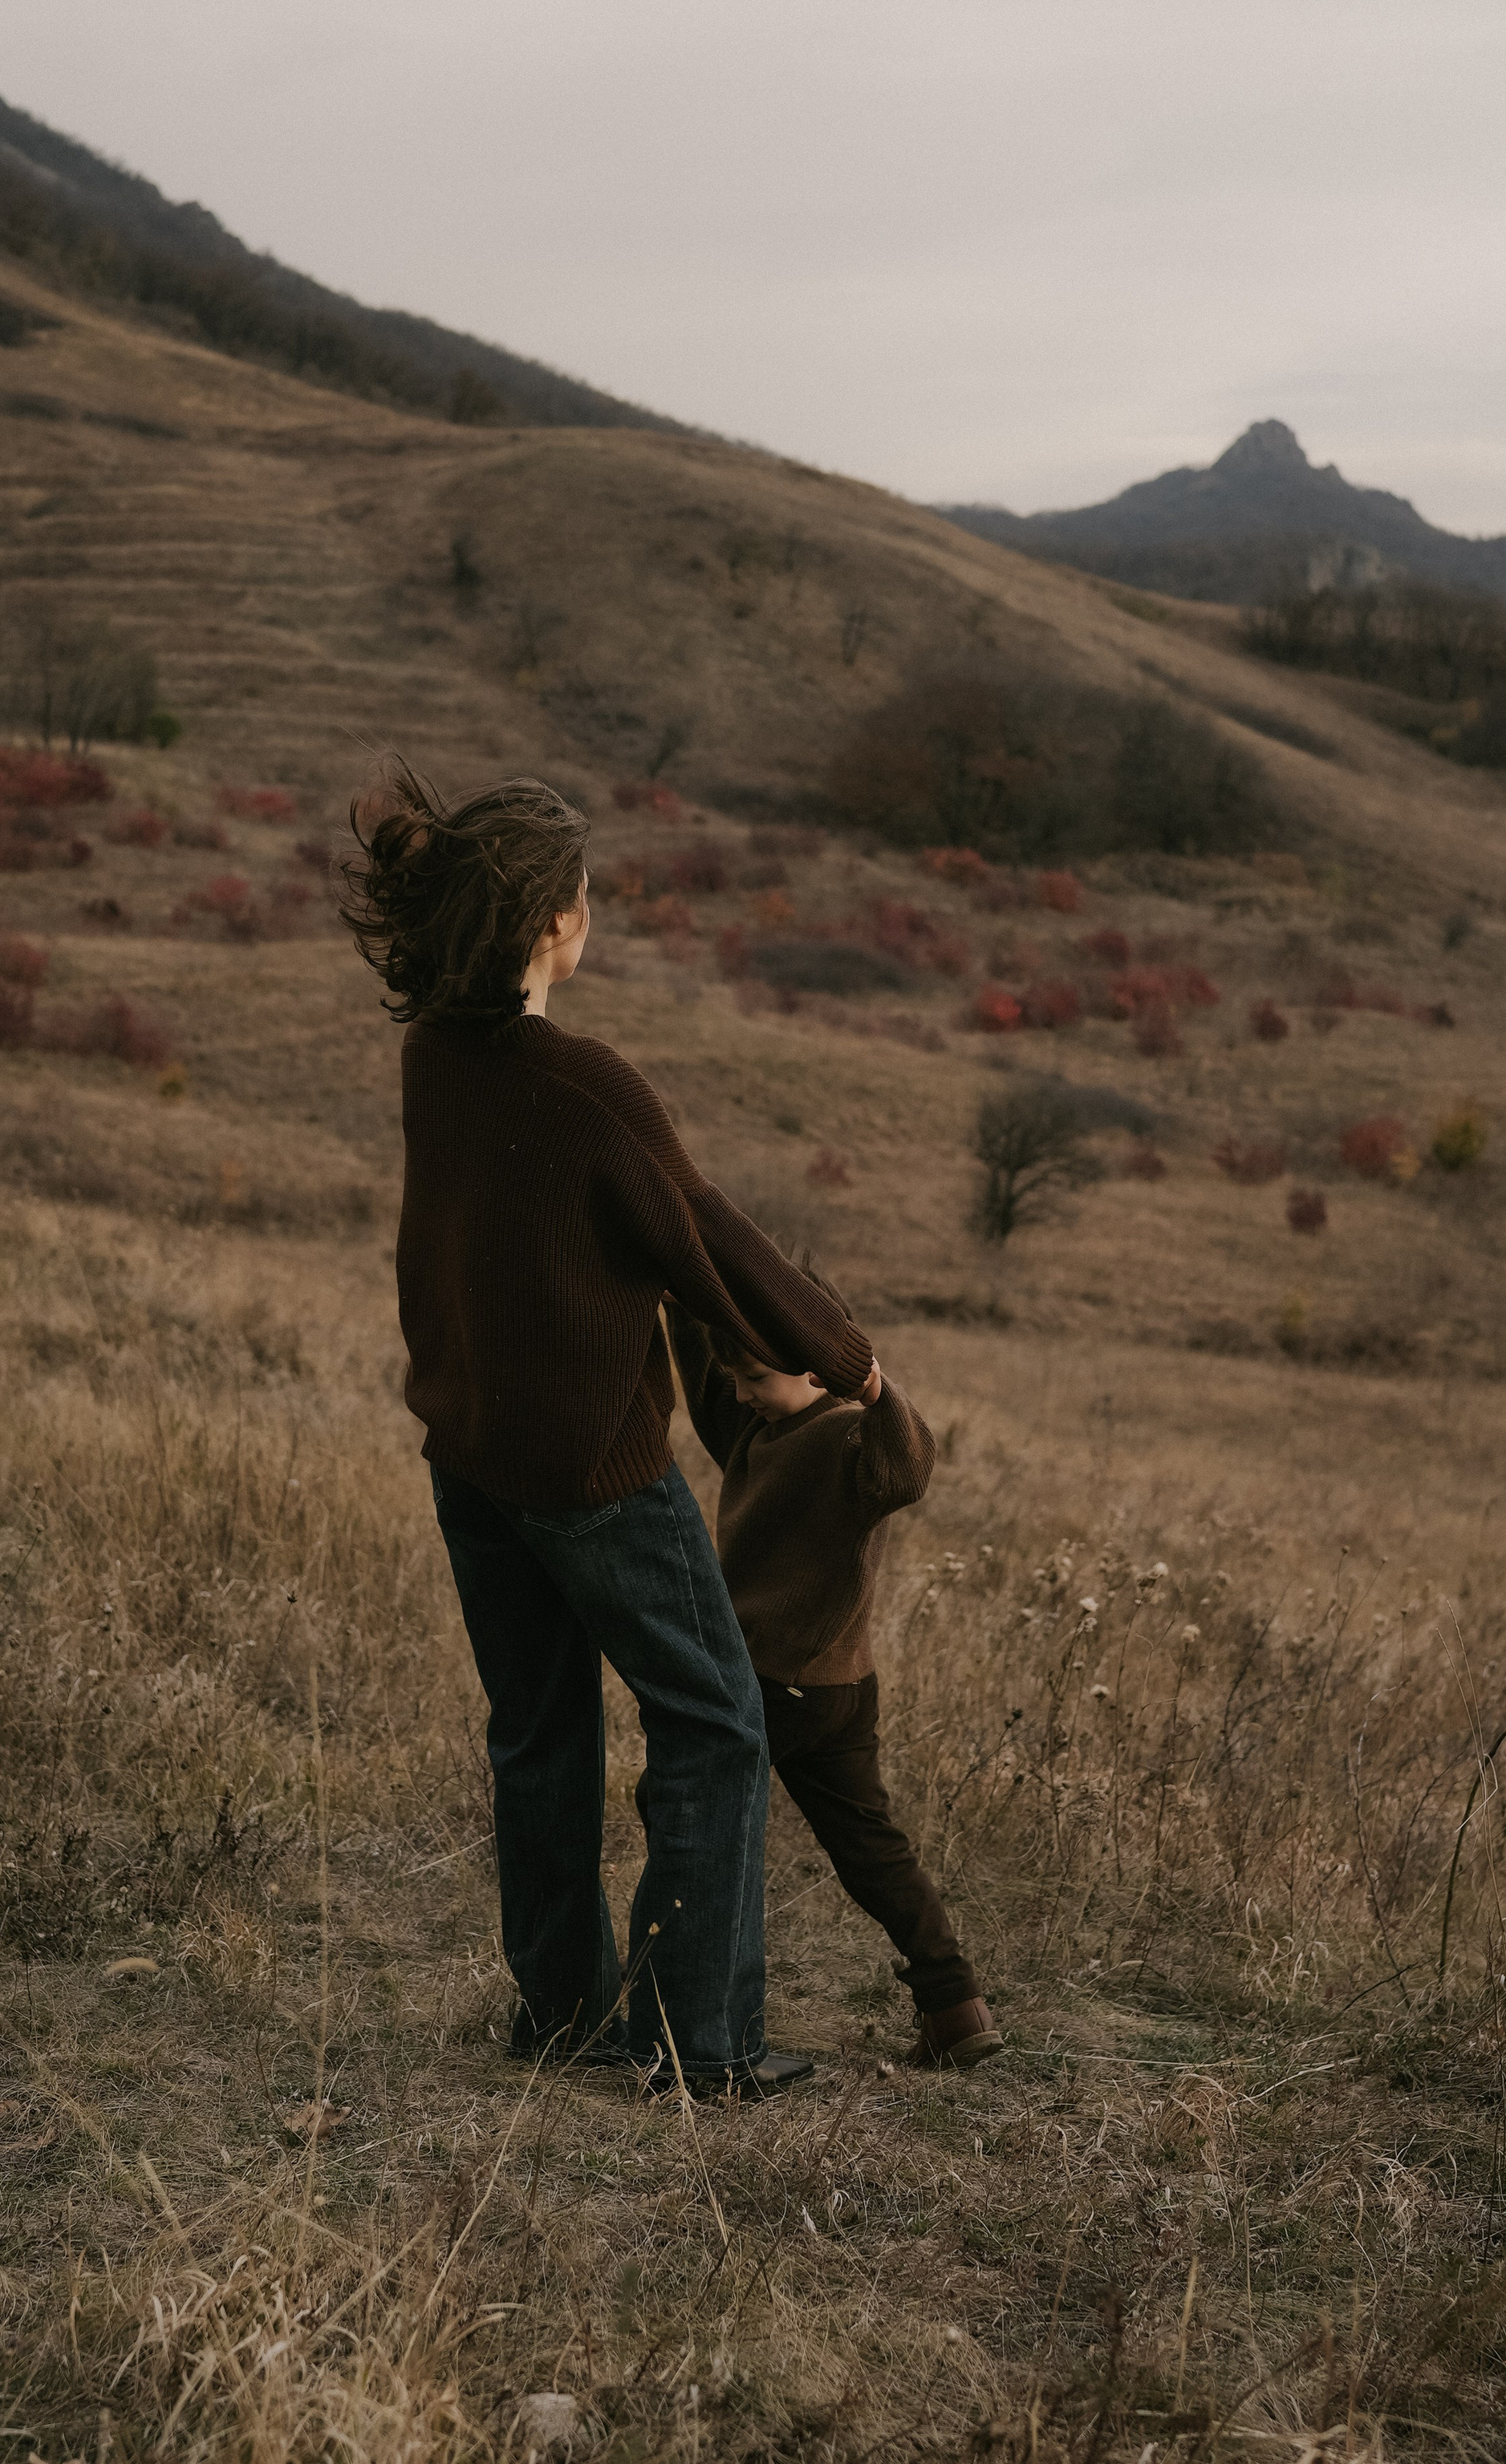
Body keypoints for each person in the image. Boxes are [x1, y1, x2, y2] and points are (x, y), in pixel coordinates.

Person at [340, 764, 873, 2098]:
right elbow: (710, 1243)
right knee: (715, 1717)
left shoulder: (433, 1055)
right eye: (583, 895)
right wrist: (843, 1356)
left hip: (472, 1460)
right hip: (591, 1475)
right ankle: (698, 2046)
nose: (591, 912)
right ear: (553, 924)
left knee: (539, 1731)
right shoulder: (586, 1085)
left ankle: (562, 2016)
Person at [664, 1292, 1005, 2067]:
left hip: (786, 1687)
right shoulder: (761, 1424)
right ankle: (955, 2004)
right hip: (839, 1685)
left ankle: (694, 2003)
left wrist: (875, 1383)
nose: (741, 1392)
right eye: (738, 1378)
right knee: (871, 1848)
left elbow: (910, 1465)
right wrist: (684, 1291)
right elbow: (706, 1371)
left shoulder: (851, 1438)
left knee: (688, 1811)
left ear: (821, 1367)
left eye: (754, 1376)